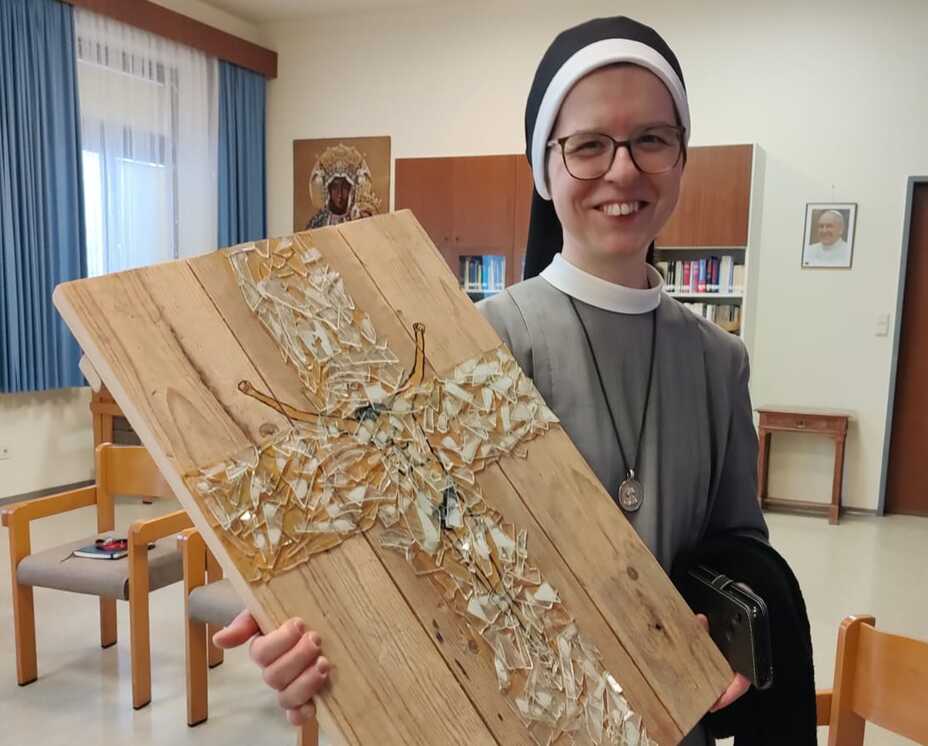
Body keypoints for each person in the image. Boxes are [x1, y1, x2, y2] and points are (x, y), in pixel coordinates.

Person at [214, 16, 769, 745]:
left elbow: (739, 553)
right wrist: (310, 640)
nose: (624, 170)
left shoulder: (716, 361)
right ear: (544, 167)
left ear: (680, 158)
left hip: (668, 725)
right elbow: (397, 552)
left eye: (653, 140)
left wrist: (720, 637)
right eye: (589, 145)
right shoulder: (471, 343)